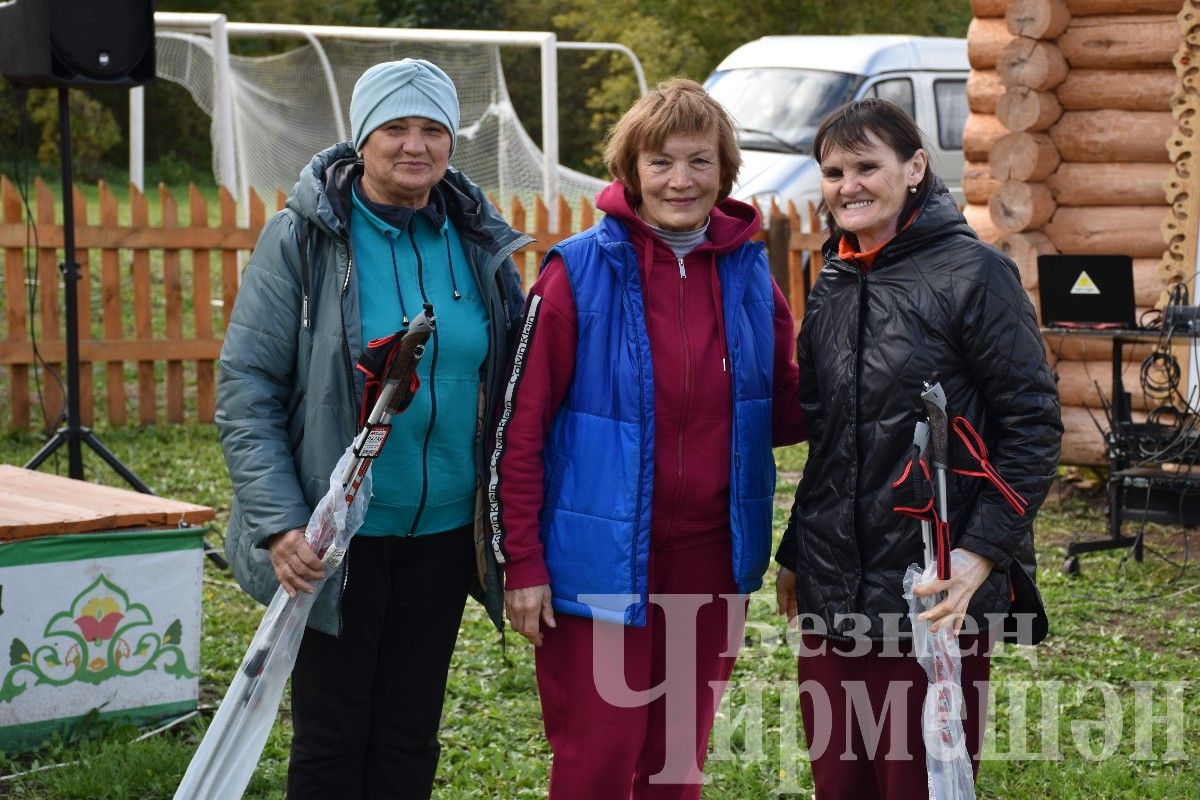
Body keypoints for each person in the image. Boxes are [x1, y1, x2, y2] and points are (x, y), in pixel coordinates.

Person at [215, 59, 528, 799]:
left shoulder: (480, 243)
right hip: (337, 539)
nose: (413, 145)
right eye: (395, 127)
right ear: (363, 139)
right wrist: (282, 523)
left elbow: (515, 377)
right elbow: (247, 387)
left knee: (409, 731)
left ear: (452, 141)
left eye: (431, 129)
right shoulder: (304, 238)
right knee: (332, 735)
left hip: (448, 534)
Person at [489, 78, 805, 799]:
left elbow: (783, 410)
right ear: (629, 170)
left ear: (725, 172)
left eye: (699, 161)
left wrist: (875, 369)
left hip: (708, 559)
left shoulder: (751, 274)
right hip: (595, 561)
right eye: (660, 162)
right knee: (598, 758)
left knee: (675, 762)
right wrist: (524, 564)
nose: (680, 180)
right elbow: (521, 429)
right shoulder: (575, 274)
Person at [774, 97, 1062, 799]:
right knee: (841, 785)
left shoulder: (976, 274)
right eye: (834, 170)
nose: (849, 185)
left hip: (932, 588)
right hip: (835, 588)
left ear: (915, 168)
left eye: (867, 166)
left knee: (921, 785)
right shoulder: (837, 280)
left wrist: (980, 554)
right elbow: (831, 439)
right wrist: (796, 552)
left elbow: (1033, 425)